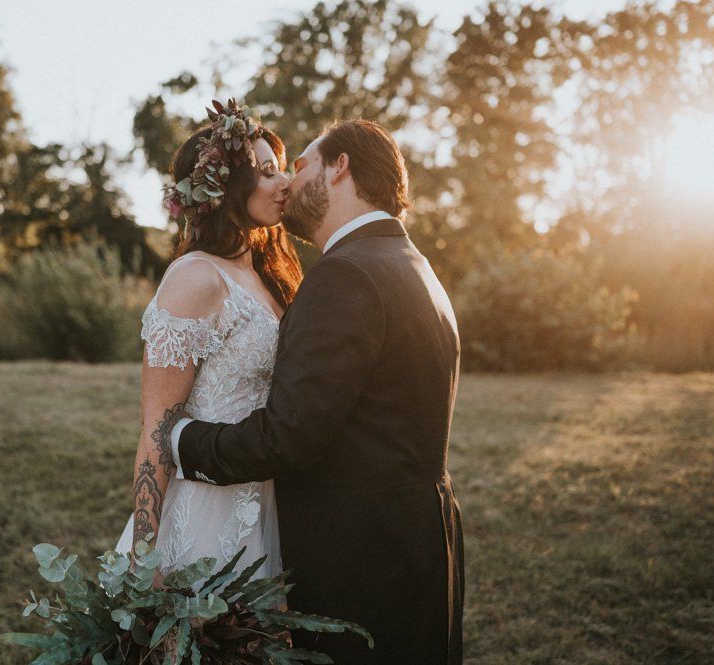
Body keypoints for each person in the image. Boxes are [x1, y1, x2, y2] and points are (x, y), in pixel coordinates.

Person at [169, 119, 465, 664]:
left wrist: (181, 442)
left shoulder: (346, 274)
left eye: (298, 163)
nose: (285, 181)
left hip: (361, 561)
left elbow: (287, 438)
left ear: (340, 166)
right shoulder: (412, 265)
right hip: (420, 544)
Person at [115, 100, 302, 585]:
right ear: (223, 187)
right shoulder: (195, 277)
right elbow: (157, 429)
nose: (283, 183)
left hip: (267, 502)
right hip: (206, 513)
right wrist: (143, 555)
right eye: (265, 172)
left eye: (279, 170)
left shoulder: (265, 275)